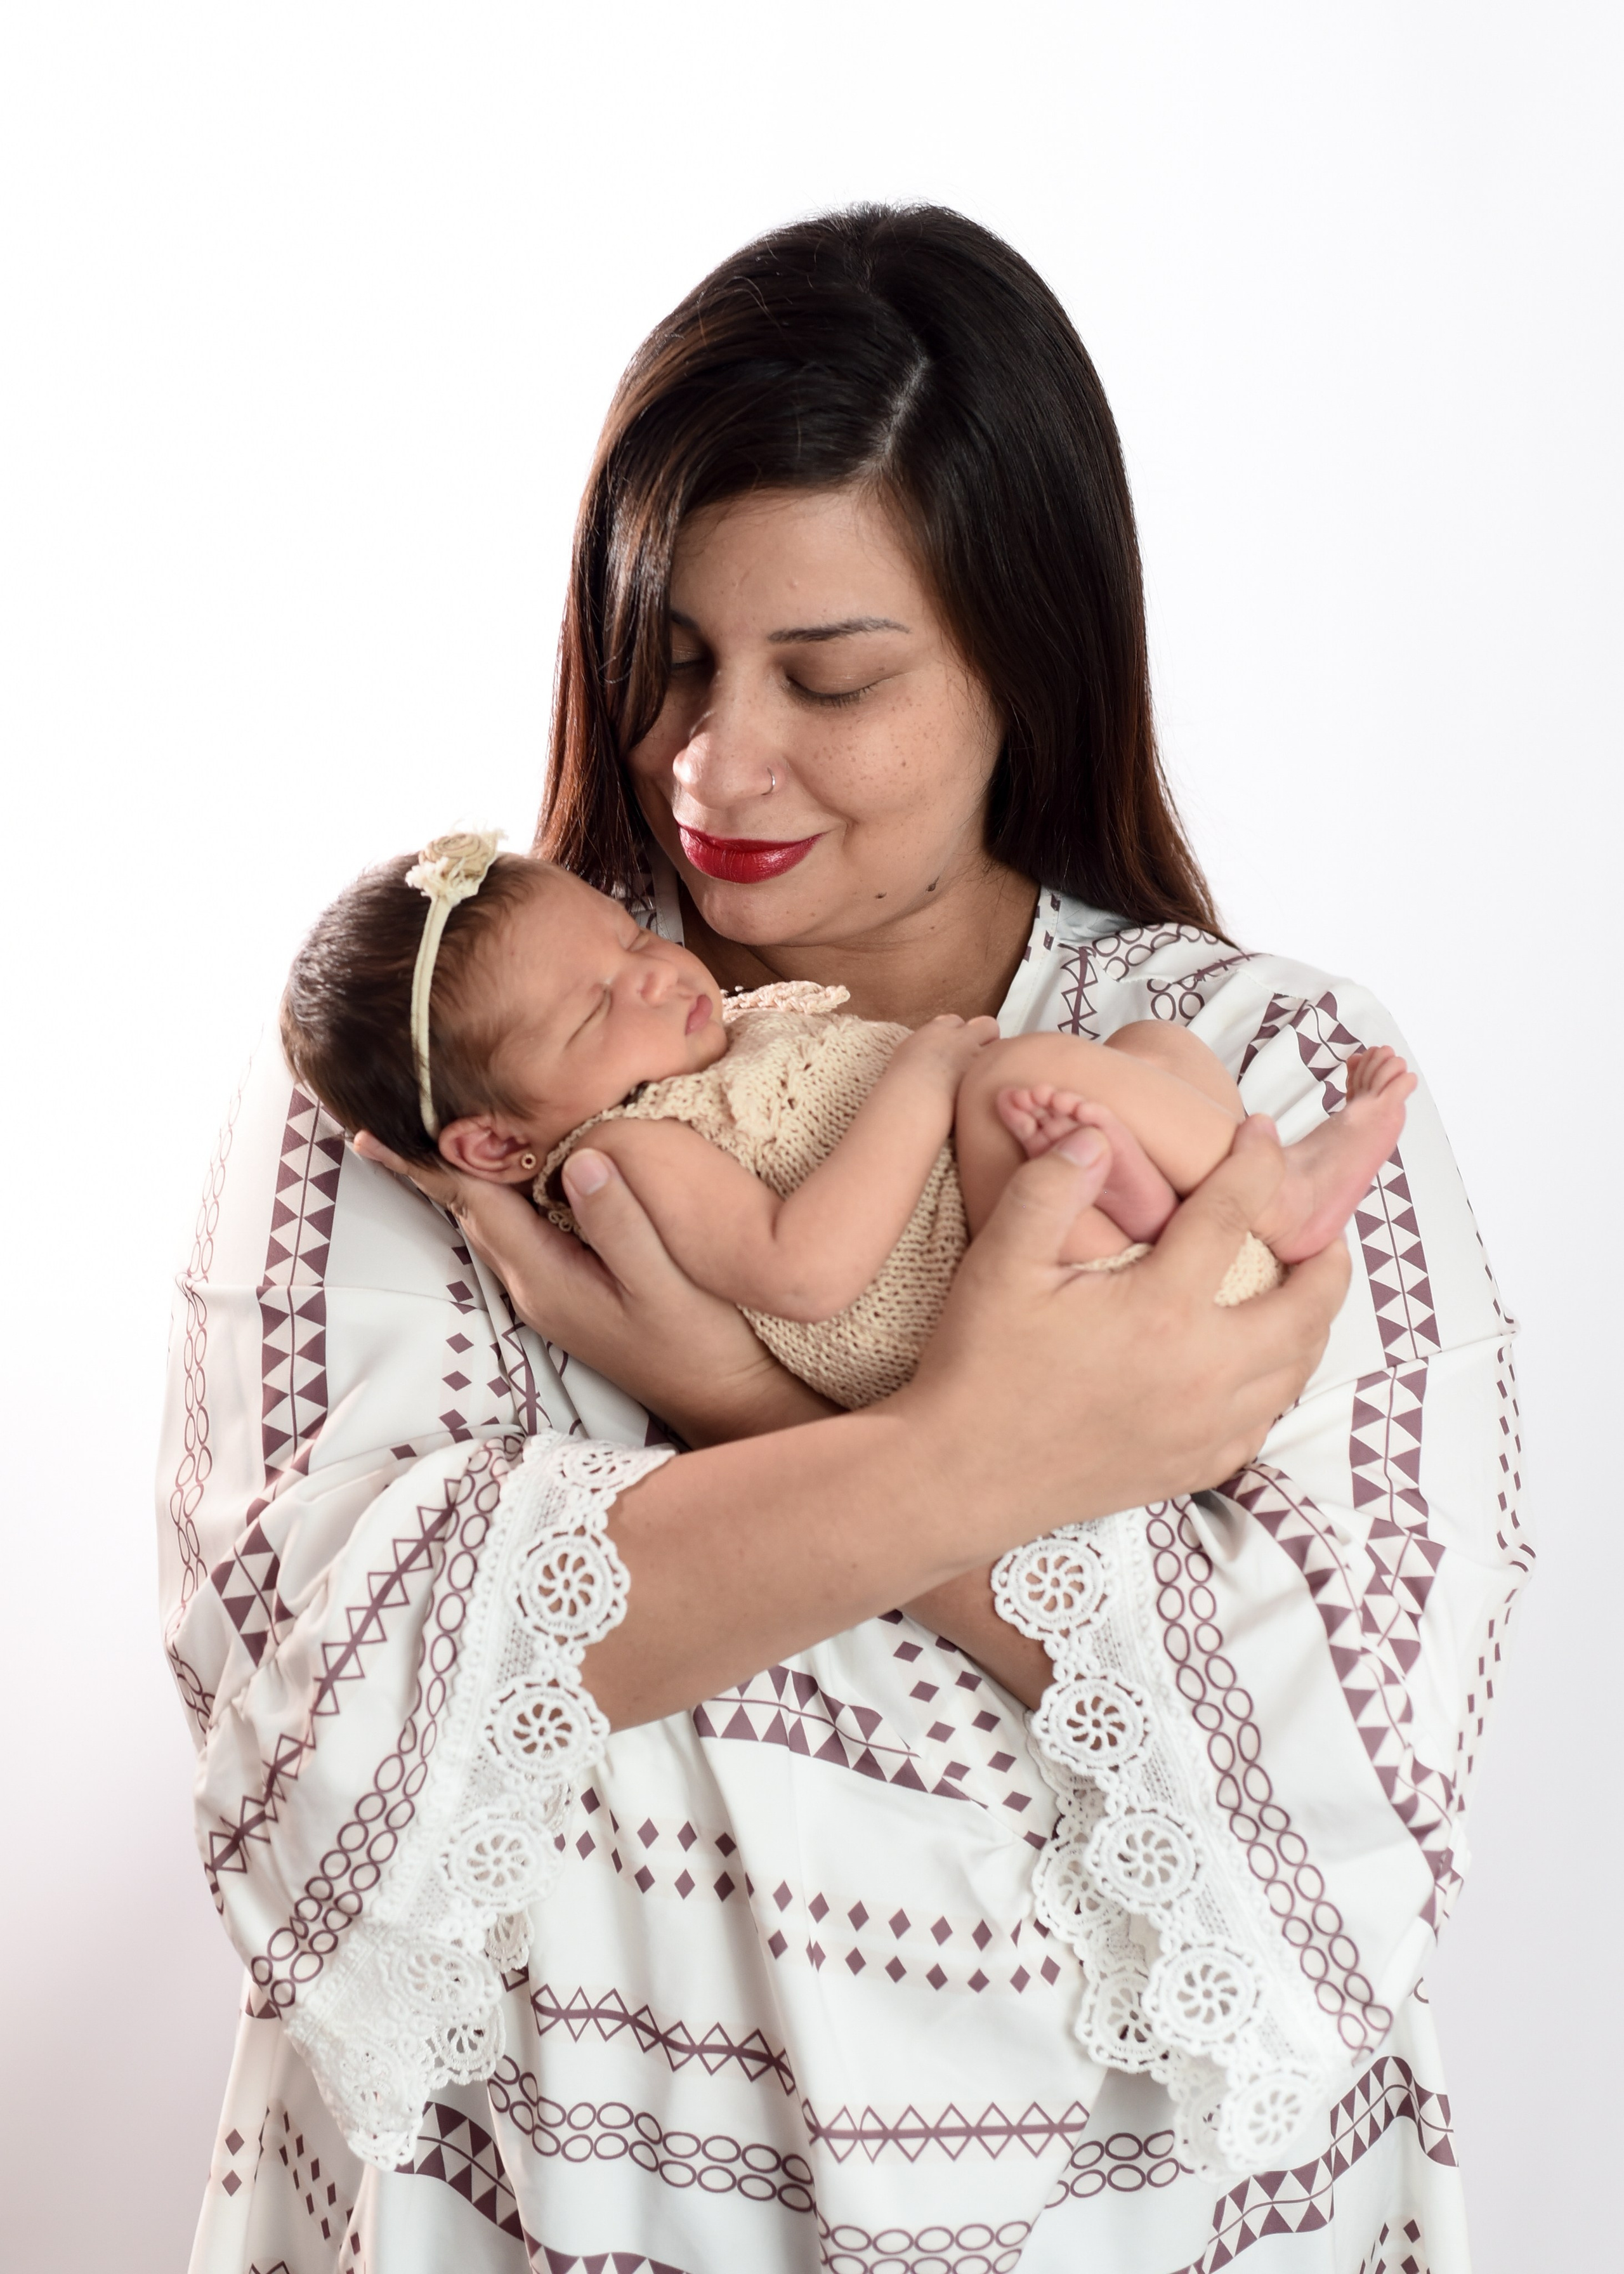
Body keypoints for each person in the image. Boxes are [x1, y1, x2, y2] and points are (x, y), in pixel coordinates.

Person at [161, 206, 1524, 2273]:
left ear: (1022, 658)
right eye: (672, 657)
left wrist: (698, 1439)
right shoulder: (438, 1080)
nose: (715, 763)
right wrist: (994, 1463)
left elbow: (1329, 1814)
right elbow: (325, 1732)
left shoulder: (1264, 1063)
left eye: (831, 673)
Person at [279, 838, 1417, 1412]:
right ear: (496, 1143)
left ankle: (1159, 1197)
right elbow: (806, 1271)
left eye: (627, 941)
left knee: (1152, 1055)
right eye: (591, 1009)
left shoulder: (718, 1037)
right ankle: (1280, 1191)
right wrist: (924, 1083)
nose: (651, 975)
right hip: (962, 1312)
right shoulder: (625, 1152)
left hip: (1067, 1260)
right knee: (1005, 1082)